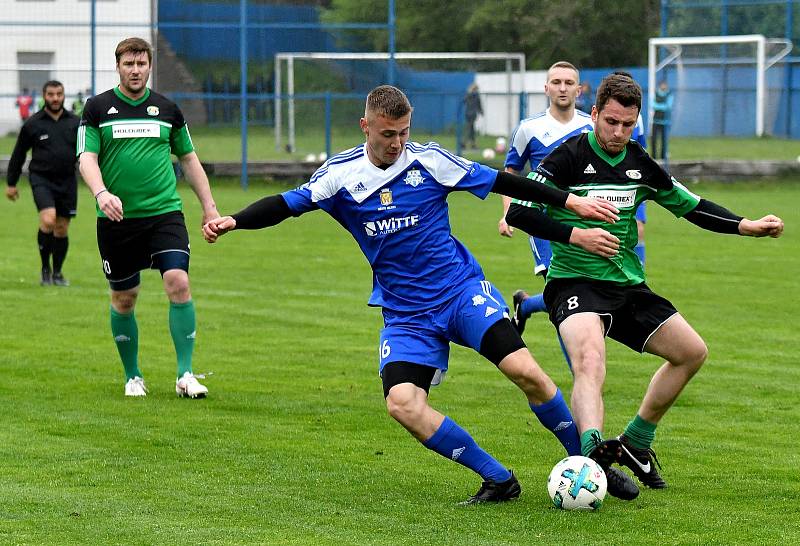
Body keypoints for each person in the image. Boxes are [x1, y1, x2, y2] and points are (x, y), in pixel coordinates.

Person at [203, 84, 642, 503]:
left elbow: (505, 184)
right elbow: (284, 205)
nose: (397, 143)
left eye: (403, 132)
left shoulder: (430, 161)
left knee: (526, 371)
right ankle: (498, 479)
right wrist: (235, 220)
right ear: (366, 126)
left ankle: (589, 464)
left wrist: (568, 203)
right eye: (387, 134)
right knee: (403, 404)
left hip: (460, 292)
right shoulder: (339, 176)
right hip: (406, 314)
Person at [505, 72, 783, 491]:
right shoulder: (566, 158)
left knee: (691, 352)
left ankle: (636, 441)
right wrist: (577, 233)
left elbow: (691, 206)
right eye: (611, 122)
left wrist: (746, 225)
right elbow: (518, 213)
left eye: (628, 124)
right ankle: (592, 455)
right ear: (594, 113)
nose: (618, 132)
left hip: (628, 286)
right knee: (590, 362)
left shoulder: (639, 162)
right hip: (573, 282)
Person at [77, 37, 220, 398]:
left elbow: (188, 159)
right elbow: (87, 159)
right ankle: (133, 375)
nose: (136, 70)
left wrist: (210, 207)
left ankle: (185, 374)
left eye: (141, 64)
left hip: (164, 214)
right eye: (129, 64)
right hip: (116, 220)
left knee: (178, 282)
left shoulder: (167, 110)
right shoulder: (97, 108)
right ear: (118, 66)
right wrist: (102, 193)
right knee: (125, 298)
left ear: (150, 66)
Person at [504, 66, 650, 338]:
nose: (562, 88)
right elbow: (511, 175)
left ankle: (525, 305)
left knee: (571, 299)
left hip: (585, 217)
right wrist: (506, 212)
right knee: (565, 297)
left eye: (568, 82)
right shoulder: (529, 128)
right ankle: (581, 374)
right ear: (545, 87)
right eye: (556, 82)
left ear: (578, 89)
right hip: (543, 220)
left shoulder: (594, 125)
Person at [6, 80, 80, 286]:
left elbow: (88, 153)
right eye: (50, 94)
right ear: (44, 96)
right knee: (48, 220)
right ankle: (45, 269)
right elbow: (19, 154)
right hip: (41, 179)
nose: (55, 98)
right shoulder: (33, 123)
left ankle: (57, 273)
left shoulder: (75, 123)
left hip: (67, 181)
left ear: (64, 95)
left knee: (62, 228)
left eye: (59, 94)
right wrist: (11, 183)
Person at [650, 80, 673, 161]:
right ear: (660, 85)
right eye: (662, 85)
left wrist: (659, 106)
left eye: (665, 85)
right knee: (653, 139)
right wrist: (663, 106)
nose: (664, 86)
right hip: (655, 121)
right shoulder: (655, 94)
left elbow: (669, 106)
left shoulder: (669, 94)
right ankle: (654, 157)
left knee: (664, 140)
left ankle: (663, 157)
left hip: (665, 122)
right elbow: (652, 105)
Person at [463, 83, 483, 149]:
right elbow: (479, 105)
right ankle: (467, 143)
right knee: (470, 129)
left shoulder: (468, 94)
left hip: (468, 113)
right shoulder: (476, 95)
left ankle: (470, 144)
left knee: (470, 128)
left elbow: (464, 101)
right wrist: (481, 112)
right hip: (472, 114)